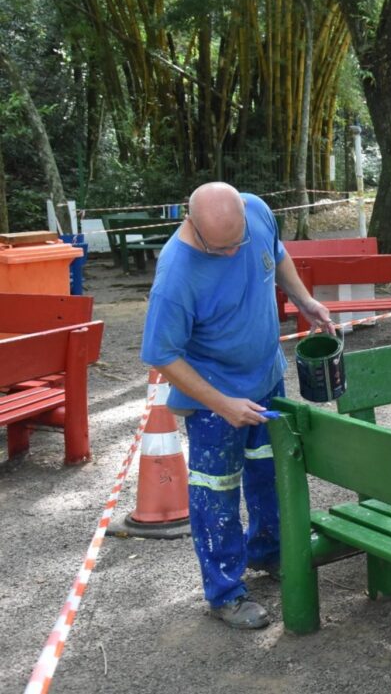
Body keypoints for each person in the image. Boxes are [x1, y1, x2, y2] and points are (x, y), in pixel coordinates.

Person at [141, 182, 334, 629]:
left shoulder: (257, 211)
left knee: (269, 471)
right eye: (219, 249)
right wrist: (223, 404)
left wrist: (304, 300)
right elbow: (161, 354)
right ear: (192, 224)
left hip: (266, 376)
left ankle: (268, 550)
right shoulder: (176, 275)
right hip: (214, 399)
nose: (232, 254)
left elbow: (276, 255)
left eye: (237, 243)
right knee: (216, 491)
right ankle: (225, 591)